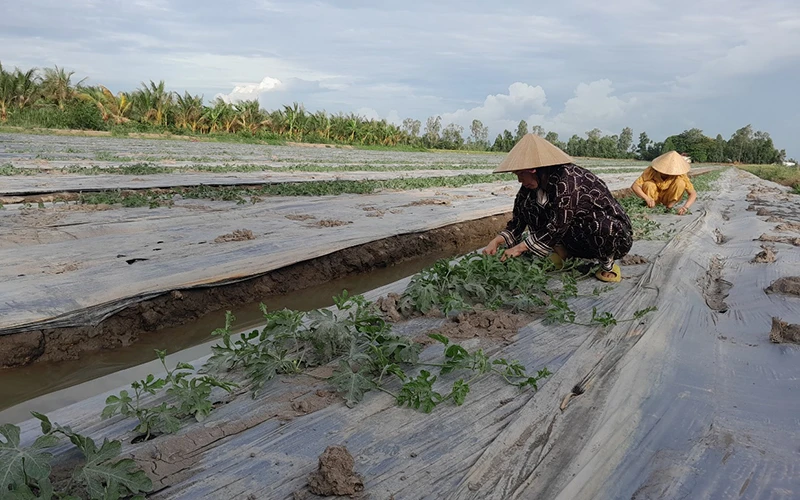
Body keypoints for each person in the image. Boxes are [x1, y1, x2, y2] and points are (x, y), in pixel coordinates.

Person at [483, 134, 633, 283]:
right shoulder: (530, 187)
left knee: (600, 224)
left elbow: (558, 223)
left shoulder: (568, 180)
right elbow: (519, 219)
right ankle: (563, 254)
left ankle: (608, 264)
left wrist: (519, 248)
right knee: (531, 206)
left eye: (521, 174)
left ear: (533, 169)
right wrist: (497, 241)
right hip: (578, 238)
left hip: (613, 235)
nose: (519, 180)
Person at [631, 151, 696, 215]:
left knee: (680, 183)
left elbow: (692, 193)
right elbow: (635, 186)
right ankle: (651, 206)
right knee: (648, 184)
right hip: (653, 198)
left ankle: (669, 206)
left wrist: (685, 207)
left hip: (668, 197)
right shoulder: (652, 170)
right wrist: (647, 198)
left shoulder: (680, 174)